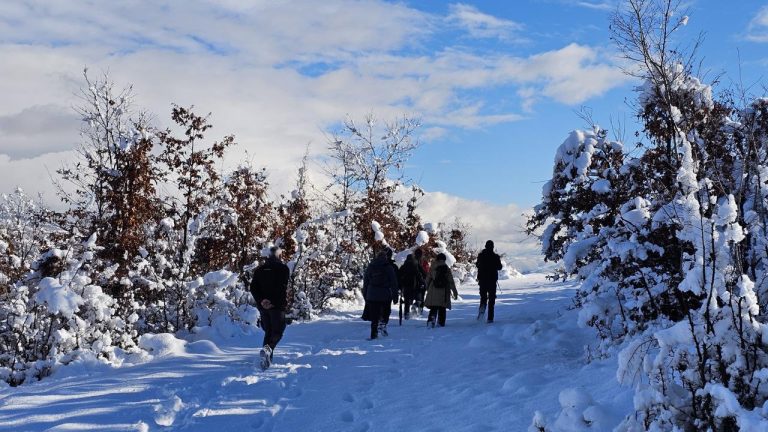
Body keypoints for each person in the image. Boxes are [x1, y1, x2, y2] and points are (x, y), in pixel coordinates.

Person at [250, 246, 291, 370]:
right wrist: (272, 301)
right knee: (278, 331)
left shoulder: (259, 270)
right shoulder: (283, 269)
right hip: (277, 305)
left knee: (269, 331)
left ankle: (266, 360)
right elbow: (281, 287)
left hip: (263, 306)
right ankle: (267, 351)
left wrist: (262, 300)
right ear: (279, 255)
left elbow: (253, 288)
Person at [362, 249, 398, 339]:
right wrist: (395, 296)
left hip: (372, 294)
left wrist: (365, 295)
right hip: (385, 294)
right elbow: (394, 282)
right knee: (386, 311)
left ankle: (373, 334)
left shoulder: (371, 266)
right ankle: (383, 323)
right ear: (386, 257)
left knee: (374, 315)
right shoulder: (388, 267)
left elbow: (366, 282)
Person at [424, 253, 458, 328]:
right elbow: (451, 281)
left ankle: (431, 320)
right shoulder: (446, 268)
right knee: (442, 308)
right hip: (444, 290)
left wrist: (425, 288)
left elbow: (428, 278)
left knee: (434, 307)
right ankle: (441, 323)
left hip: (433, 289)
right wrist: (455, 292)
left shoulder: (433, 267)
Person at [475, 240, 503, 323]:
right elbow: (499, 267)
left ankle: (481, 314)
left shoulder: (481, 255)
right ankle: (490, 318)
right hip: (492, 281)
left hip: (482, 280)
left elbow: (477, 265)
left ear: (485, 246)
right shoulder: (495, 256)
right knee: (491, 299)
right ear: (493, 247)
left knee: (483, 298)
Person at [398, 249, 426, 320]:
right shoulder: (415, 265)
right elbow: (419, 274)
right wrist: (422, 281)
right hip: (415, 285)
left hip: (406, 286)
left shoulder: (404, 266)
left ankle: (406, 314)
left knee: (407, 300)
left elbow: (399, 275)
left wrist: (400, 286)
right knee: (418, 299)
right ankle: (415, 306)